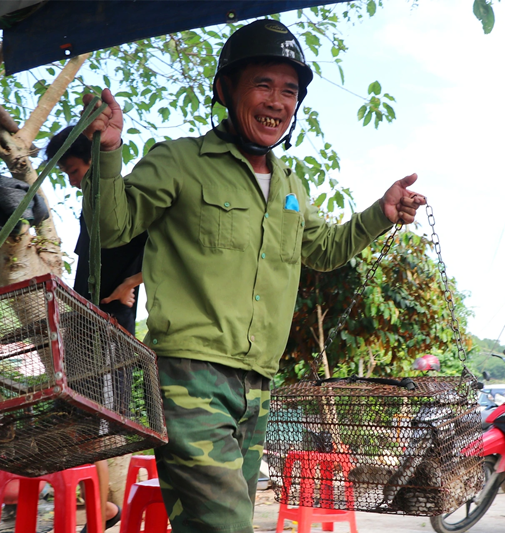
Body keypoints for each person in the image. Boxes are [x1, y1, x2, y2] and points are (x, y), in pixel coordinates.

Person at [80, 19, 426, 533]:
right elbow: (111, 228)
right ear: (225, 89)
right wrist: (107, 153)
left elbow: (323, 250)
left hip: (258, 383)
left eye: (289, 91)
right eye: (263, 84)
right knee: (228, 524)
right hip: (189, 379)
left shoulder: (291, 183)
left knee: (207, 525)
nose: (277, 102)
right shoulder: (180, 161)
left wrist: (380, 212)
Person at [45, 127, 149, 532]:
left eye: (73, 170)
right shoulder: (93, 206)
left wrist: (131, 283)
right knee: (82, 424)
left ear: (95, 163)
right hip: (84, 325)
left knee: (94, 424)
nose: (71, 181)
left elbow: (165, 246)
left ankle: (105, 508)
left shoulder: (121, 200)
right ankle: (101, 507)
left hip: (109, 330)